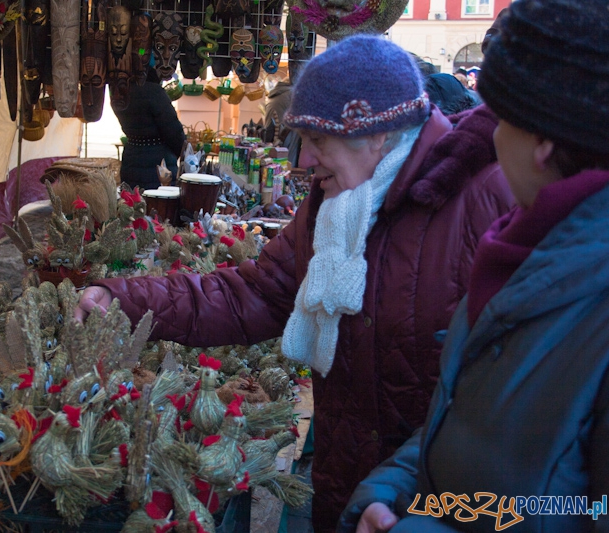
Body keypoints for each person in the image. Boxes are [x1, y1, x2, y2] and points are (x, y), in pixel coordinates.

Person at [76, 35, 513, 532]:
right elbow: (252, 294)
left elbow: (517, 405)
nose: (303, 161)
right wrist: (124, 298)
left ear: (380, 134)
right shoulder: (333, 208)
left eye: (319, 141)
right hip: (346, 492)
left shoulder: (487, 201)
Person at [341, 1, 609, 532]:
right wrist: (394, 492)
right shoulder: (519, 249)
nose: (491, 135)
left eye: (502, 118)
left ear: (543, 141)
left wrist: (420, 526)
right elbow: (467, 427)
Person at [112, 68, 186, 191]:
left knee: (133, 202)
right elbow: (174, 132)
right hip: (158, 162)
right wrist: (181, 151)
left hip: (131, 157)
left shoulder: (121, 91)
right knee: (158, 205)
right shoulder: (155, 92)